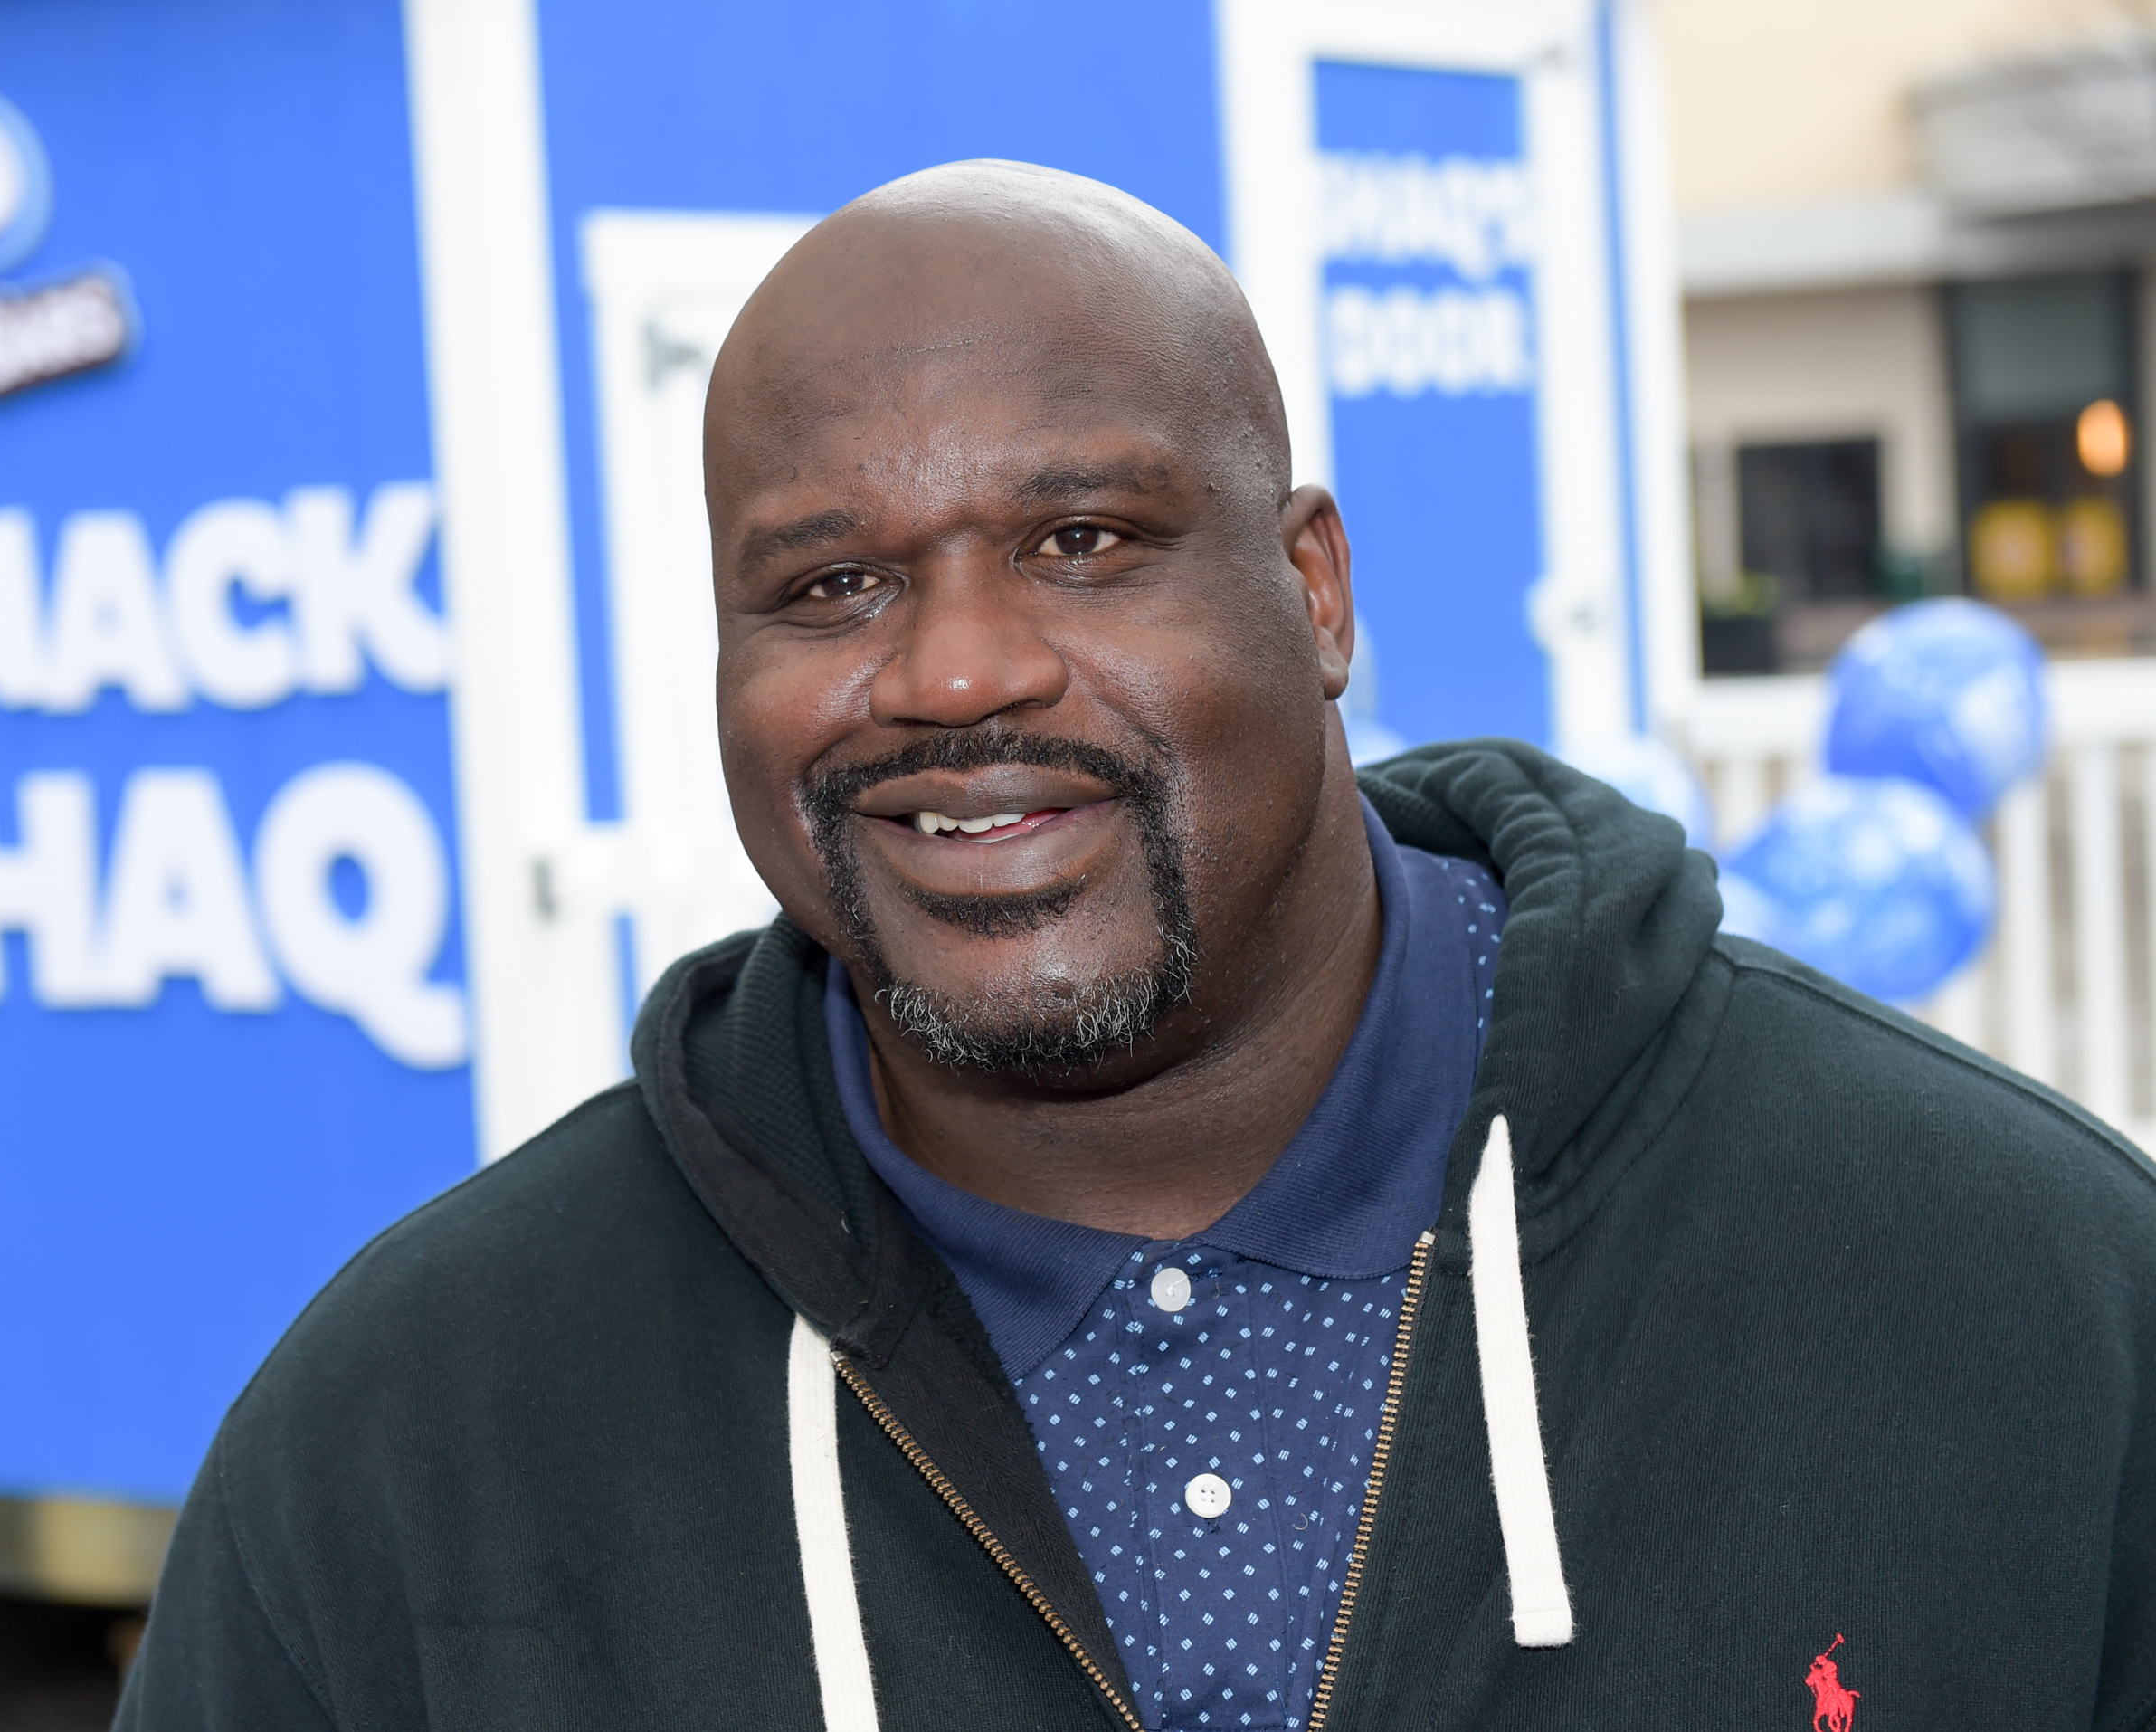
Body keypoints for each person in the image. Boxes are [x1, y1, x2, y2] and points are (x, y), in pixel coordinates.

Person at [115, 163, 2156, 1730]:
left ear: (1316, 591)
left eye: (1085, 540)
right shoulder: (404, 1446)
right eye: (827, 585)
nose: (959, 668)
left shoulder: (2024, 1292)